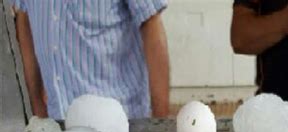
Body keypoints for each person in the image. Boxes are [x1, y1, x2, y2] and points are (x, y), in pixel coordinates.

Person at [11, 0, 170, 119]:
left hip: (120, 127)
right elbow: (24, 18)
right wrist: (38, 109)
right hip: (59, 125)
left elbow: (151, 23)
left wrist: (159, 125)